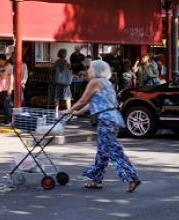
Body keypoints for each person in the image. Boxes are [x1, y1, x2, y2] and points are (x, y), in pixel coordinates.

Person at [67, 60, 141, 192]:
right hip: (114, 119)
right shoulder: (107, 83)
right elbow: (92, 103)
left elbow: (83, 100)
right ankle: (96, 180)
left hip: (105, 120)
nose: (88, 72)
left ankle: (132, 177)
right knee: (103, 151)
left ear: (96, 71)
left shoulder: (94, 82)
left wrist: (69, 110)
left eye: (90, 69)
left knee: (113, 149)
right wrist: (77, 112)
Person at [0, 54, 14, 125]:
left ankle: (9, 120)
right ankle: (6, 119)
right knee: (4, 105)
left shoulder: (9, 67)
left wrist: (10, 88)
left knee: (7, 105)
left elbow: (11, 77)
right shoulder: (1, 67)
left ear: (3, 60)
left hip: (7, 88)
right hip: (1, 88)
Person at [53, 49, 73, 113]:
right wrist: (67, 66)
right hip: (64, 82)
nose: (66, 54)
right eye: (65, 53)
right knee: (68, 97)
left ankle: (56, 112)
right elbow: (63, 71)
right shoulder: (64, 61)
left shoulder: (57, 61)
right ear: (63, 54)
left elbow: (55, 70)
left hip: (57, 81)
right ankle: (69, 112)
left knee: (57, 97)